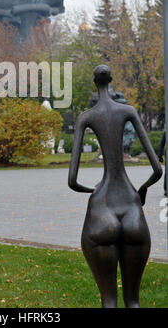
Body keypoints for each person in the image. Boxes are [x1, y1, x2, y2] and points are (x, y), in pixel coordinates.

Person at [68, 65, 162, 308]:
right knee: (133, 301)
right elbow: (157, 170)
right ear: (110, 80)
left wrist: (95, 191)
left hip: (103, 206)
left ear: (94, 82)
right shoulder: (127, 110)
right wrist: (141, 190)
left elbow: (73, 181)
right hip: (130, 204)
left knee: (109, 301)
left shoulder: (86, 117)